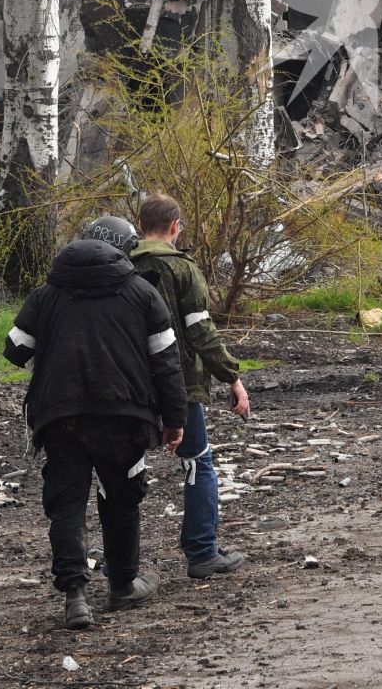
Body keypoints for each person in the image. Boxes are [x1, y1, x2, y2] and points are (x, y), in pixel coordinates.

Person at [3, 235, 188, 630]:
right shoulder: (143, 293)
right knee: (122, 497)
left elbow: (15, 349)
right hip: (124, 414)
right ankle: (123, 584)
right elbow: (167, 363)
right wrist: (175, 419)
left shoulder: (46, 294)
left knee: (67, 502)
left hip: (60, 414)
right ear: (124, 251)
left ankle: (75, 595)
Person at [124, 193, 252, 579]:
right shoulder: (183, 270)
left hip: (129, 386)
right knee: (198, 464)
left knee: (124, 473)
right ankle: (201, 552)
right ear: (176, 226)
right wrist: (232, 376)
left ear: (140, 224)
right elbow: (200, 332)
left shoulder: (121, 267)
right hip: (178, 384)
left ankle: (123, 569)